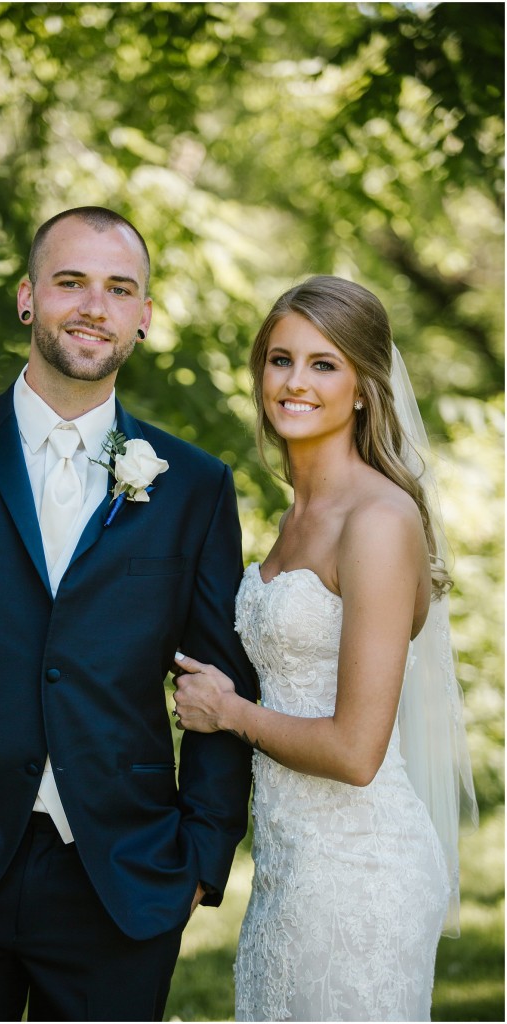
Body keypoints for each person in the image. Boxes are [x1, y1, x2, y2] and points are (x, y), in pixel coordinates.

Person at [0, 206, 257, 1022]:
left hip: (123, 877)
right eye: (71, 282)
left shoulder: (196, 487)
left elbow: (219, 680)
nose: (94, 306)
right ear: (28, 298)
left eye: (118, 288)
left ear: (144, 316)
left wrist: (202, 857)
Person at [172, 275, 478, 1022]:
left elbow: (356, 750)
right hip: (289, 865)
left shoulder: (376, 518)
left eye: (323, 363)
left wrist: (229, 712)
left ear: (365, 387)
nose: (295, 382)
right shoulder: (295, 518)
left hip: (361, 873)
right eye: (280, 359)